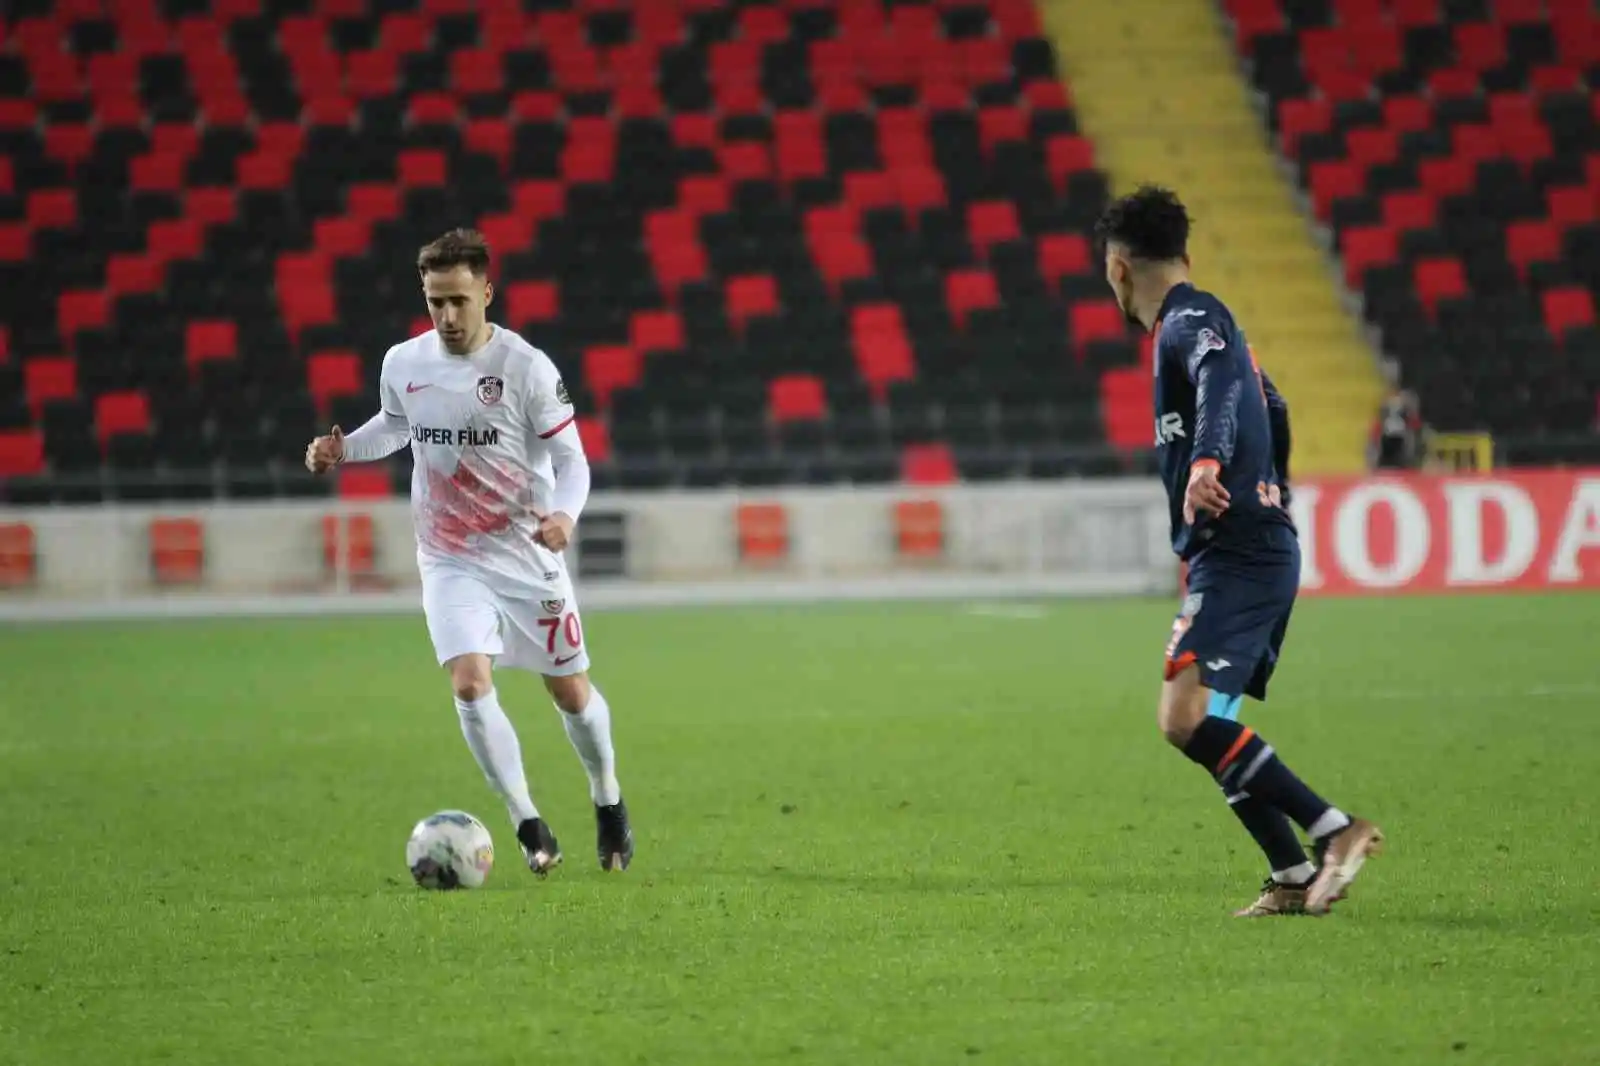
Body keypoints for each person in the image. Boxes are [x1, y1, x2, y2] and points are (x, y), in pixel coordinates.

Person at [304, 228, 634, 876]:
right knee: (469, 681)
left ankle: (607, 797)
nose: (448, 316)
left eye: (459, 300)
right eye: (435, 302)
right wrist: (345, 449)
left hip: (526, 552)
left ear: (487, 291)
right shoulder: (404, 363)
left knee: (570, 694)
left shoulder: (526, 368)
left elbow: (573, 462)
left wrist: (565, 515)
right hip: (449, 555)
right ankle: (527, 823)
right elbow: (396, 427)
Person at [1094, 186, 1381, 917]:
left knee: (1180, 719)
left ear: (1119, 270)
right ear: (1182, 254)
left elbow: (1225, 382)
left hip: (1241, 554)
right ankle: (1289, 873)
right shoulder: (1203, 322)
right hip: (1249, 545)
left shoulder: (1188, 319)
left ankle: (1334, 829)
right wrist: (1267, 482)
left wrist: (1209, 464)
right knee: (1210, 723)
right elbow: (1272, 401)